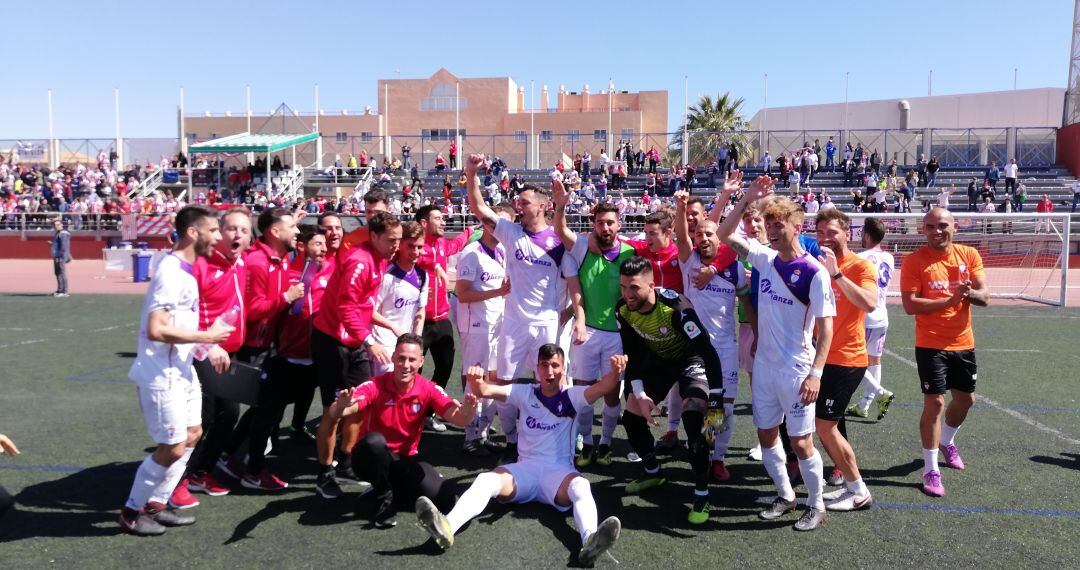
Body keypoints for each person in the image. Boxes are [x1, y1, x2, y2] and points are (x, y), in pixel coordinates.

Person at [415, 347, 623, 565]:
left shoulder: (573, 396)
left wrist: (616, 371)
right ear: (537, 368)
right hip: (524, 472)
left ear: (564, 368)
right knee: (486, 480)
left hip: (558, 474)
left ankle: (590, 541)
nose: (549, 371)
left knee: (580, 485)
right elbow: (484, 389)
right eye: (544, 365)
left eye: (555, 365)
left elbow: (605, 385)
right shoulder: (525, 392)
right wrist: (475, 378)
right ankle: (446, 527)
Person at [718, 179, 835, 532]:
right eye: (767, 223)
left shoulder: (814, 272)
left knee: (800, 442)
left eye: (777, 224)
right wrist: (744, 201)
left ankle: (817, 504)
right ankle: (785, 495)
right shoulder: (764, 258)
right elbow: (725, 235)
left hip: (797, 369)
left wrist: (816, 373)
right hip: (765, 368)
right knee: (767, 435)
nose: (770, 229)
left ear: (797, 226)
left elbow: (827, 329)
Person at [119, 205, 233, 536]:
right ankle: (130, 512)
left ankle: (156, 504)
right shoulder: (170, 271)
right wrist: (207, 336)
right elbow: (157, 328)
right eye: (213, 230)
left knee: (193, 433)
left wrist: (207, 346)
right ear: (193, 233)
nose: (218, 237)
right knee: (171, 446)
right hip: (160, 375)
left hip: (181, 371)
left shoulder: (186, 270)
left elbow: (180, 324)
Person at [464, 154, 575, 464]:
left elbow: (575, 282)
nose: (518, 206)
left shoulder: (558, 243)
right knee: (503, 383)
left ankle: (556, 436)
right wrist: (472, 174)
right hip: (513, 323)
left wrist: (574, 315)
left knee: (552, 382)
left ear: (541, 206)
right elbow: (479, 209)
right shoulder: (511, 233)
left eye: (524, 203)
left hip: (545, 324)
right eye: (517, 202)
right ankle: (512, 440)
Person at [615, 256, 727, 525]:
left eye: (634, 288)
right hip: (659, 361)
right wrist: (640, 394)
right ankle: (653, 470)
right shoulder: (623, 309)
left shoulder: (676, 308)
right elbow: (632, 354)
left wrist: (716, 399)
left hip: (692, 361)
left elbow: (707, 353)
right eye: (623, 287)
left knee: (693, 419)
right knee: (631, 418)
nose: (628, 294)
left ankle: (701, 493)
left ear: (651, 285)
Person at [325, 334, 479, 527]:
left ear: (421, 361)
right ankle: (384, 497)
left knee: (446, 499)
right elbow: (341, 410)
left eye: (412, 359)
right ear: (393, 358)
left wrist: (468, 411)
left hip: (404, 459)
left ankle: (391, 488)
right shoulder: (375, 384)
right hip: (369, 458)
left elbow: (459, 418)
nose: (406, 365)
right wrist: (340, 407)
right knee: (374, 442)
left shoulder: (429, 389)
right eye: (401, 358)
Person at [311, 211, 402, 499]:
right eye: (391, 240)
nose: (396, 245)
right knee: (334, 410)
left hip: (353, 340)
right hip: (332, 342)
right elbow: (345, 307)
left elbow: (362, 305)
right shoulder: (359, 262)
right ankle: (324, 473)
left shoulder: (380, 259)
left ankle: (346, 461)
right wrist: (368, 340)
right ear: (373, 236)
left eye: (399, 240)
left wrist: (385, 324)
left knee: (360, 405)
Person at [900, 207, 989, 497]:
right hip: (930, 343)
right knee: (935, 404)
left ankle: (947, 441)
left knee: (966, 400)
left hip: (963, 342)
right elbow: (911, 305)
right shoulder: (914, 261)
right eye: (929, 227)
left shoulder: (969, 255)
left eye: (942, 226)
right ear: (922, 230)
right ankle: (931, 469)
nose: (936, 231)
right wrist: (951, 299)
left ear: (954, 227)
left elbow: (984, 297)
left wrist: (968, 294)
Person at [218, 207, 304, 488]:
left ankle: (227, 452)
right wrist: (286, 298)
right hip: (256, 346)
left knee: (268, 406)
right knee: (265, 408)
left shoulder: (278, 258)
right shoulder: (257, 261)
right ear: (275, 232)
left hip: (271, 345)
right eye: (292, 226)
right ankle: (252, 469)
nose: (298, 231)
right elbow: (253, 311)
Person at [551, 189, 636, 469]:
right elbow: (561, 230)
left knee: (612, 393)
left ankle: (606, 443)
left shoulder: (630, 252)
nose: (605, 227)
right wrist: (561, 206)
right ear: (593, 225)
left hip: (619, 335)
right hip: (587, 331)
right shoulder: (583, 247)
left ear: (619, 224)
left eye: (610, 222)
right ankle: (587, 442)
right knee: (585, 392)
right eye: (600, 223)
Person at [674, 189, 747, 482]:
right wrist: (680, 209)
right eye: (700, 233)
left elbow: (748, 305)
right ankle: (700, 448)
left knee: (724, 408)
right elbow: (681, 236)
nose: (703, 238)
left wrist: (754, 332)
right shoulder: (688, 260)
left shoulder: (735, 269)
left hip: (725, 349)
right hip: (693, 350)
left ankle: (717, 457)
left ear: (720, 238)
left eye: (710, 234)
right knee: (695, 406)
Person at [181, 207, 252, 501]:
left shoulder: (242, 263)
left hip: (230, 354)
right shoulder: (202, 265)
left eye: (244, 230)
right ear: (219, 233)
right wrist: (209, 345)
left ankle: (198, 471)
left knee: (227, 415)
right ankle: (178, 478)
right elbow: (185, 314)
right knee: (201, 420)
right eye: (231, 229)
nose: (237, 235)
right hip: (201, 354)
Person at [813, 208, 878, 511]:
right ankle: (847, 482)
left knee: (824, 426)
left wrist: (836, 273)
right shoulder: (814, 265)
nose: (826, 238)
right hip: (820, 358)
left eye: (832, 232)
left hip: (847, 359)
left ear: (847, 233)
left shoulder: (859, 266)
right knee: (829, 425)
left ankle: (858, 490)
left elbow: (869, 303)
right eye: (821, 232)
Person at [455, 204, 515, 456]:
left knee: (491, 379)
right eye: (493, 221)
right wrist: (497, 292)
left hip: (496, 325)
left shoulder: (501, 251)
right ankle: (470, 436)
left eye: (503, 223)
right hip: (476, 326)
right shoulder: (472, 252)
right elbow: (462, 293)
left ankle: (483, 432)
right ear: (484, 222)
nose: (496, 227)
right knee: (475, 380)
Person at [415, 205, 475, 425]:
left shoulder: (441, 243)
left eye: (443, 218)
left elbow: (454, 245)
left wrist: (468, 232)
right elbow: (416, 257)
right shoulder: (414, 246)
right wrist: (433, 265)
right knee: (412, 372)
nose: (443, 222)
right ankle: (410, 413)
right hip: (418, 322)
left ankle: (428, 413)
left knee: (445, 366)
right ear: (423, 223)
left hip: (441, 320)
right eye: (438, 218)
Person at [277, 226, 335, 443]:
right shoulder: (288, 274)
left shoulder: (330, 271)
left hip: (318, 350)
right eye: (317, 244)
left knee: (308, 391)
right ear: (302, 246)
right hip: (290, 350)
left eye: (324, 244)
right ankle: (270, 433)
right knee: (281, 398)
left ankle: (298, 426)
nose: (323, 249)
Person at [848, 218, 896, 420]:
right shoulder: (889, 257)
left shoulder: (860, 258)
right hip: (882, 316)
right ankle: (864, 405)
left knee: (853, 361)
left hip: (863, 317)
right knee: (874, 360)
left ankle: (879, 393)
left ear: (866, 235)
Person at [369, 221, 428, 377]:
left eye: (420, 247)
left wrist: (417, 342)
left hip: (406, 347)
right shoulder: (386, 275)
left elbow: (420, 312)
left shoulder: (422, 275)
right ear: (400, 244)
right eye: (411, 246)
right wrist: (392, 327)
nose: (416, 251)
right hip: (384, 348)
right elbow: (368, 312)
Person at [51, 218, 71, 297]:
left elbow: (64, 246)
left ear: (62, 225)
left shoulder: (63, 233)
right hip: (56, 255)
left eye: (58, 225)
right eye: (55, 225)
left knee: (62, 273)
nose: (56, 226)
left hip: (60, 256)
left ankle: (65, 291)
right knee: (57, 273)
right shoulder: (58, 233)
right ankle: (60, 290)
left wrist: (59, 255)